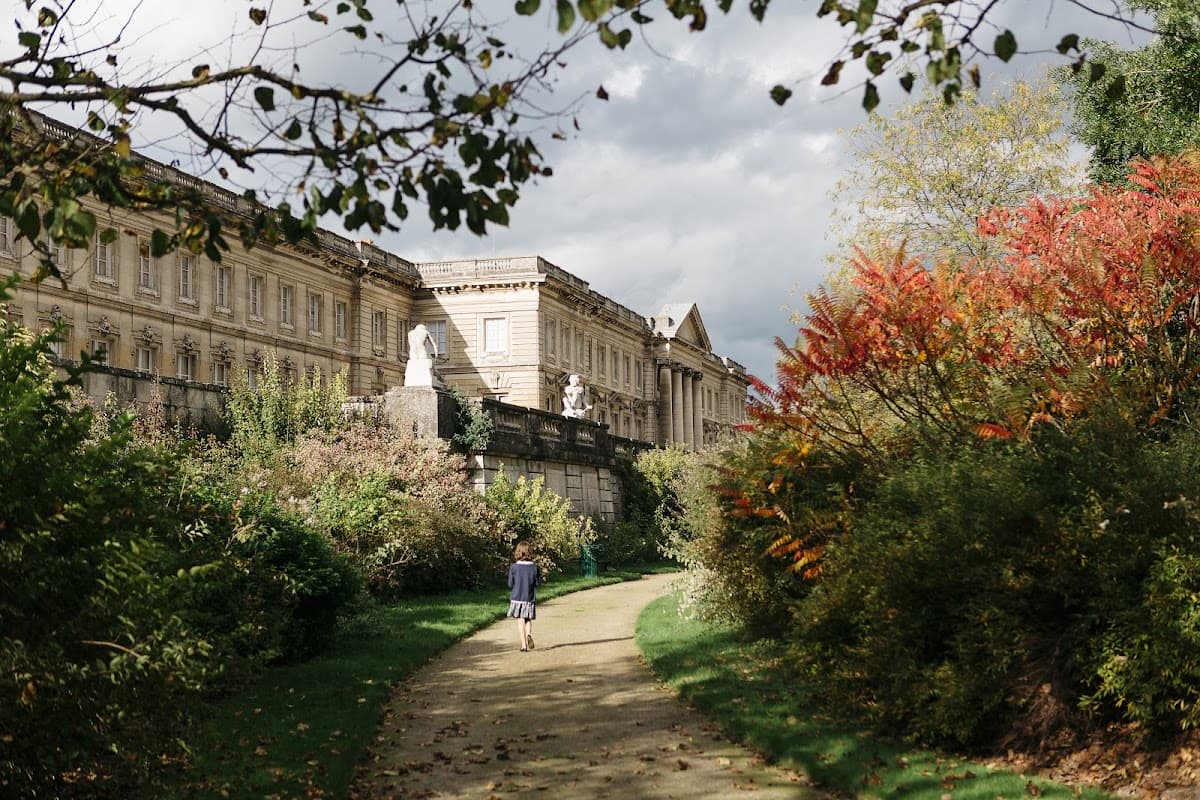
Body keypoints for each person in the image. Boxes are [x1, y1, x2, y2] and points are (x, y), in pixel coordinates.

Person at [507, 541, 541, 652]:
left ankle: (523, 645)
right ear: (529, 552)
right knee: (528, 619)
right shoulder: (534, 567)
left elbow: (510, 584)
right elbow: (537, 583)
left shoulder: (514, 567)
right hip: (529, 598)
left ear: (518, 552)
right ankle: (529, 634)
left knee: (520, 619)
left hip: (517, 598)